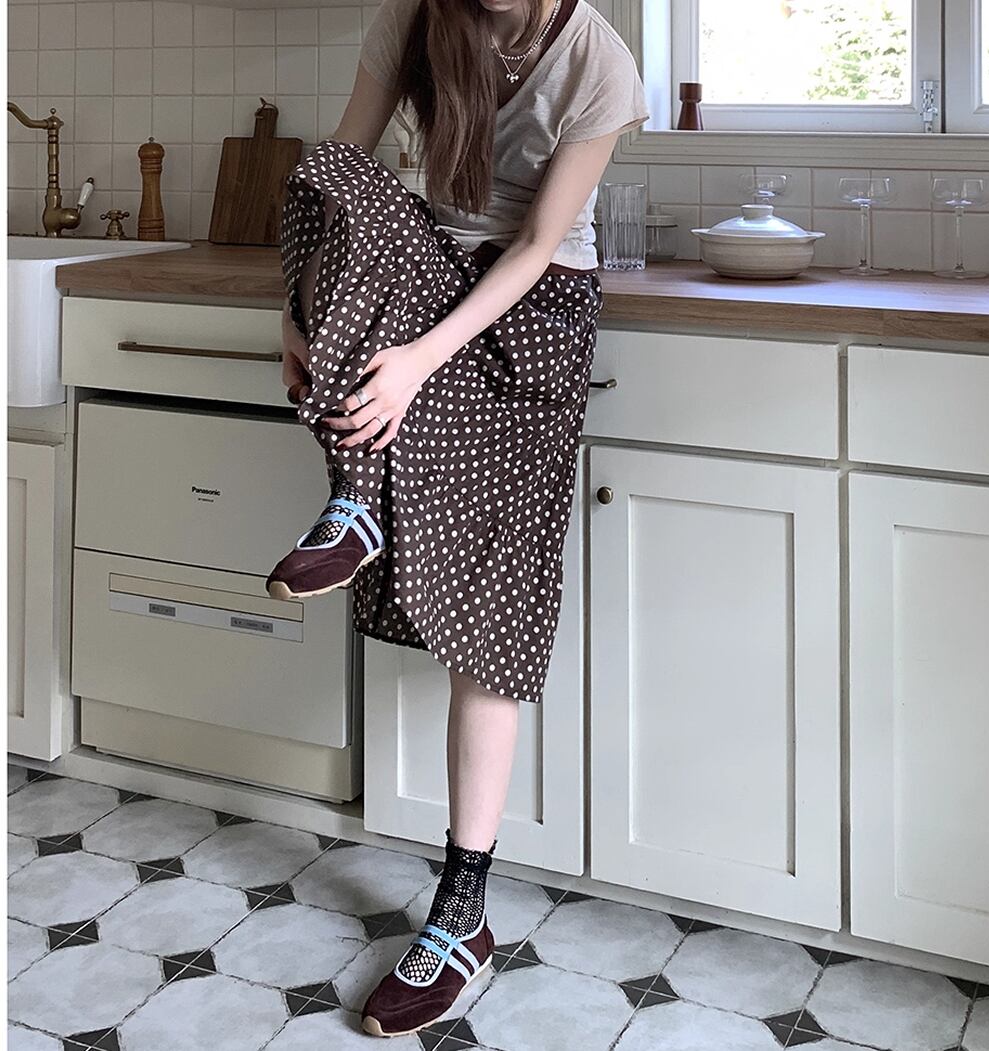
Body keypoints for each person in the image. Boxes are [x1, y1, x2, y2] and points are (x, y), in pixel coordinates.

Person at [266, 0, 648, 1037]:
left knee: (491, 616)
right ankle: (357, 498)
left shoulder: (599, 60)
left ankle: (462, 914)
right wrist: (292, 311)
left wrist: (417, 362)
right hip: (427, 274)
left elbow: (535, 242)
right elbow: (342, 167)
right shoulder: (414, 16)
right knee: (333, 176)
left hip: (534, 307)